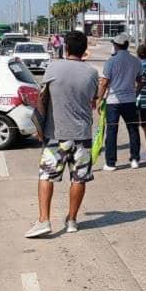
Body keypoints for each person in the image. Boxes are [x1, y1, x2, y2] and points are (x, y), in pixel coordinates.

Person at [25, 31, 99, 238]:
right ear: (85, 50)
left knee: (46, 176)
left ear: (66, 47)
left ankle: (44, 221)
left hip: (56, 134)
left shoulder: (53, 67)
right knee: (79, 178)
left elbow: (42, 96)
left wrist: (39, 126)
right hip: (82, 135)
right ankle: (73, 220)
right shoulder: (92, 73)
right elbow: (94, 101)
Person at [97, 33, 143, 170]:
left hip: (113, 101)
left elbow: (104, 82)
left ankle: (111, 163)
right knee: (133, 129)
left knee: (112, 131)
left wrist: (99, 99)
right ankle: (134, 159)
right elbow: (141, 81)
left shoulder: (111, 61)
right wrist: (136, 93)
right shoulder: (136, 61)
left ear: (116, 45)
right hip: (130, 100)